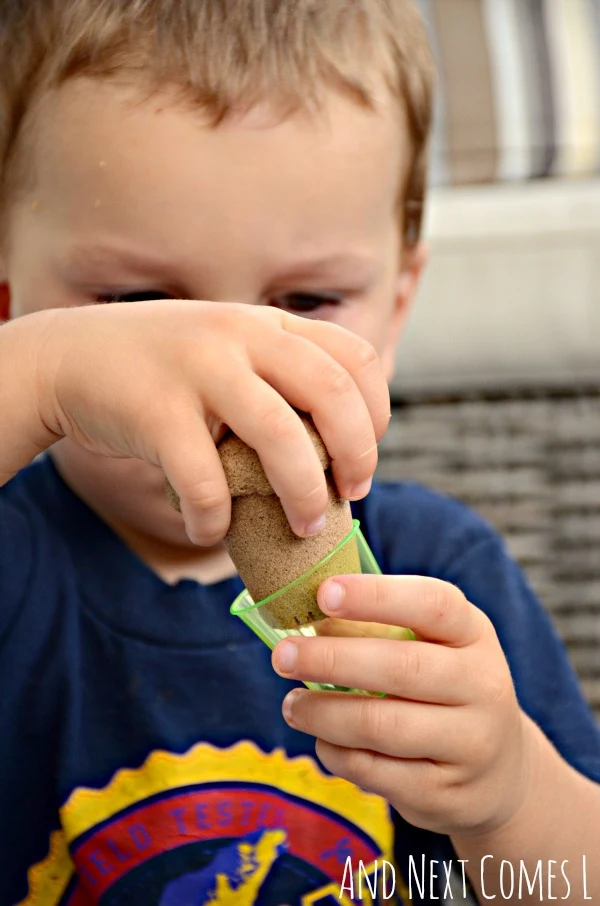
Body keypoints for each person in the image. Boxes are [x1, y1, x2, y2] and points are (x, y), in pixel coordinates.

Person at [0, 1, 598, 903]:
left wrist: (512, 798)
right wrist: (40, 374)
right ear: (9, 298)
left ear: (395, 308)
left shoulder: (436, 574)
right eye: (136, 306)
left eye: (308, 302)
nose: (232, 374)